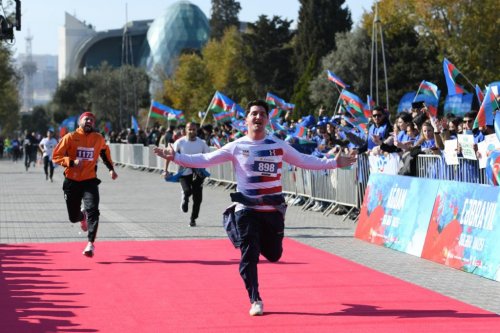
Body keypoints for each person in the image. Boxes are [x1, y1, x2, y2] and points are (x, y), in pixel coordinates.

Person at [154, 100, 356, 316]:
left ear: (267, 120)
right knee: (249, 255)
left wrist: (334, 163)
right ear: (247, 120)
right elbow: (205, 159)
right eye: (253, 114)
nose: (257, 117)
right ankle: (255, 299)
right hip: (246, 209)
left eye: (261, 114)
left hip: (272, 211)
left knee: (274, 255)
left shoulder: (277, 145)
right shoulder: (236, 146)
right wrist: (175, 157)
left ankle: (258, 244)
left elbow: (303, 160)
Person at [52, 112, 118, 257]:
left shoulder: (98, 138)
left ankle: (90, 244)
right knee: (73, 217)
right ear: (79, 122)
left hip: (90, 180)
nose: (89, 121)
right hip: (71, 181)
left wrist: (111, 169)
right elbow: (56, 156)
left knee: (93, 210)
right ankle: (82, 217)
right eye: (86, 119)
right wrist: (71, 162)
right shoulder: (70, 137)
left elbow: (104, 153)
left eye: (92, 120)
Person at [164, 122, 210, 227]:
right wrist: (165, 170)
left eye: (193, 129)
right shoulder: (180, 142)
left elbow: (208, 157)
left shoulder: (202, 143)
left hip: (198, 173)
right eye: (189, 129)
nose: (191, 131)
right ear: (185, 130)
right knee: (187, 191)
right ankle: (185, 198)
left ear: (196, 130)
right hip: (184, 172)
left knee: (198, 199)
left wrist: (204, 169)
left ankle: (193, 219)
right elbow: (169, 156)